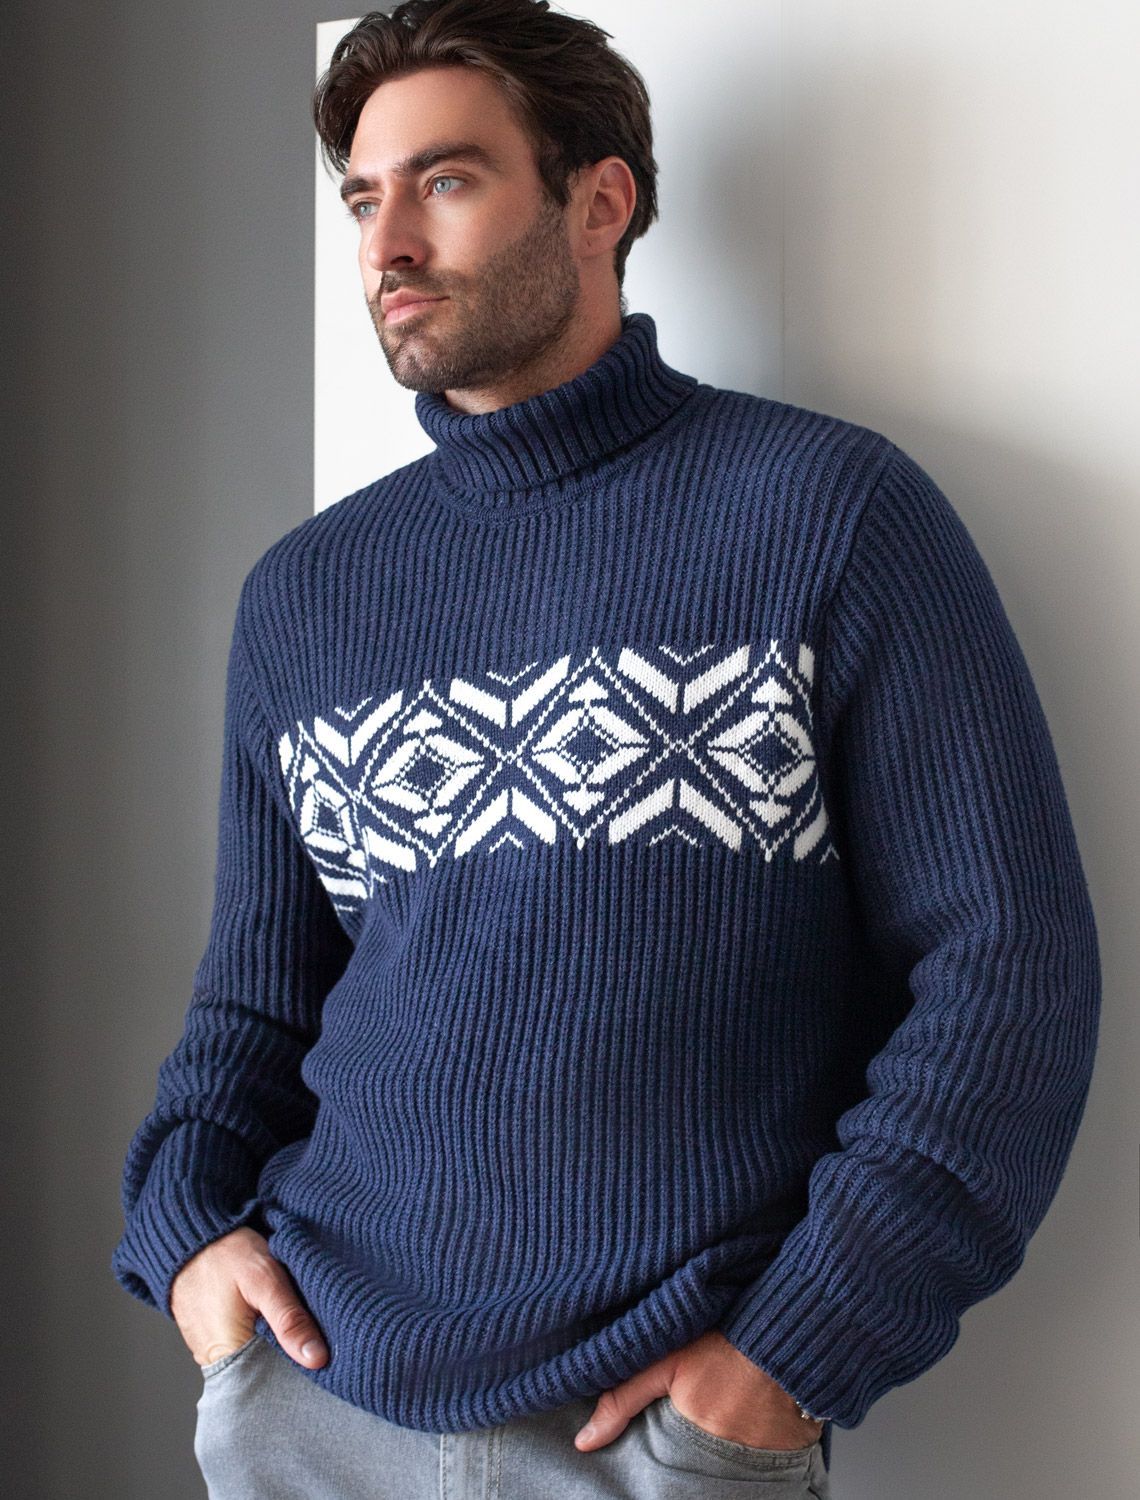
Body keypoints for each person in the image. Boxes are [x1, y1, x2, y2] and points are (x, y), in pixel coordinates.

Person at [110, 2, 1102, 1496]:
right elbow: (255, 1004)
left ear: (599, 200)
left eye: (446, 182)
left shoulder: (828, 516)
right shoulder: (305, 595)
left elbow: (1008, 975)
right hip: (310, 1406)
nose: (386, 247)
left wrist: (794, 1355)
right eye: (364, 200)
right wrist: (190, 1236)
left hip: (659, 1436)